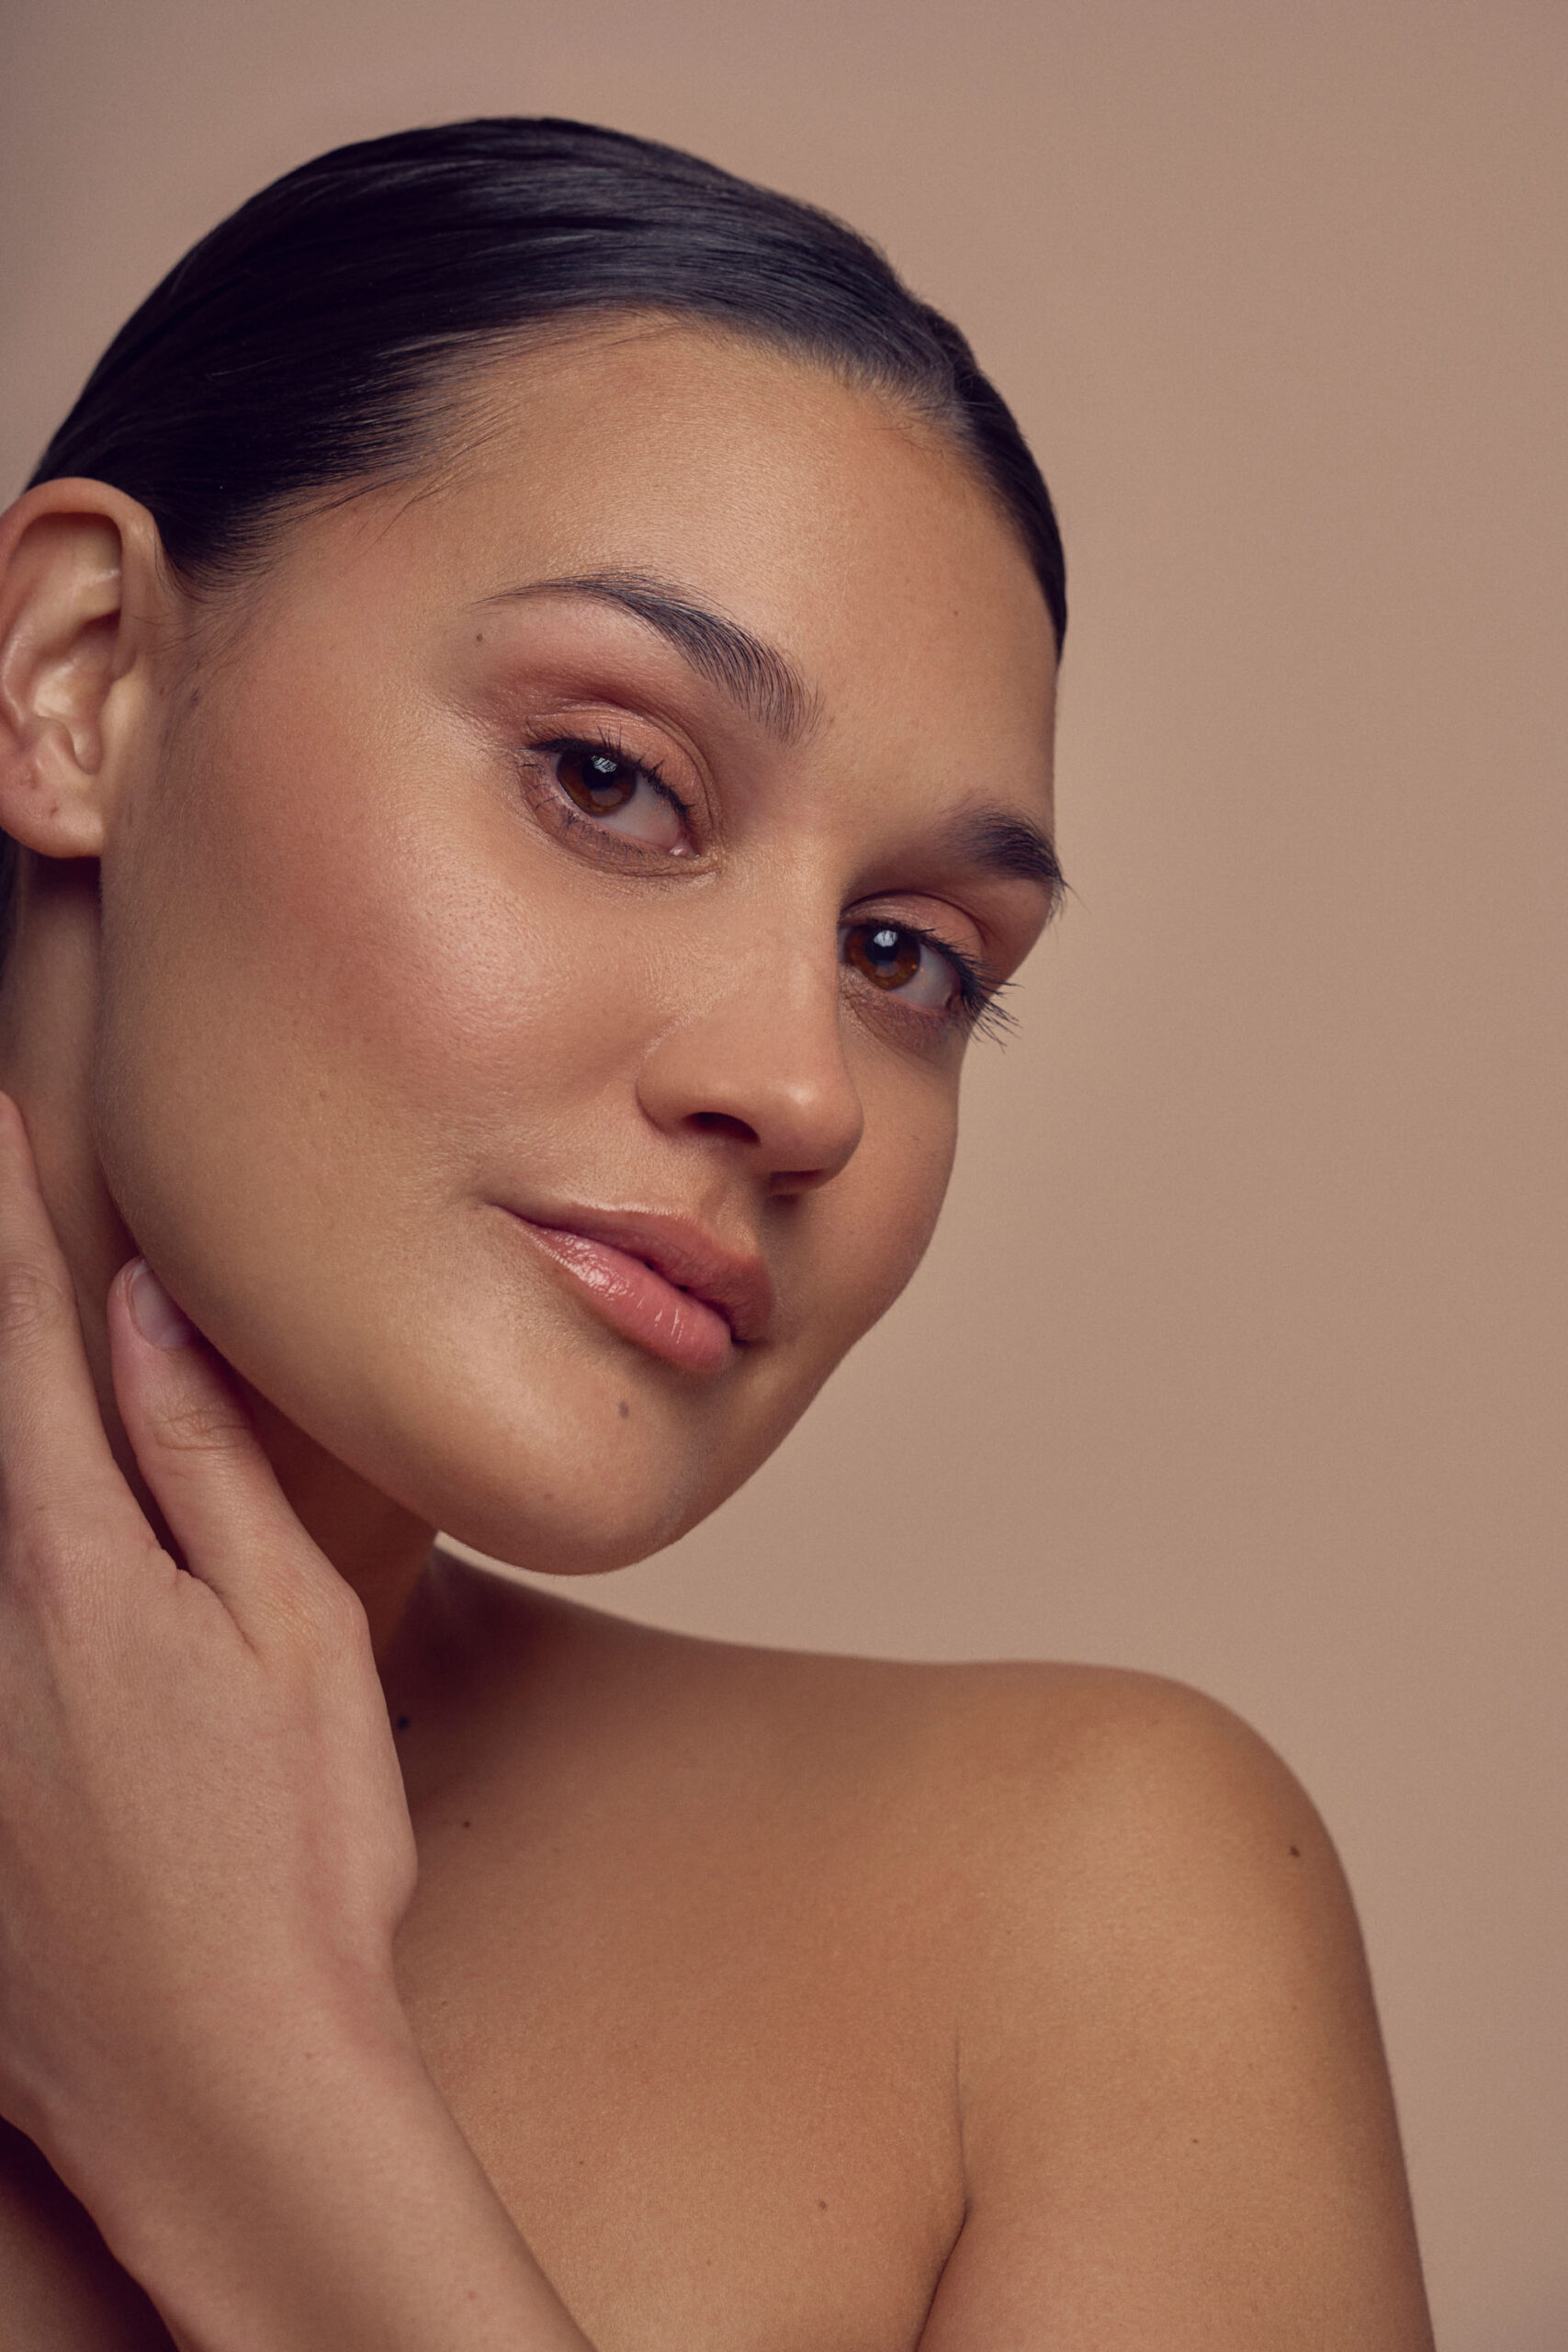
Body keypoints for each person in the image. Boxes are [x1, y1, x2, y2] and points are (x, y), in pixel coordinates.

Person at [0, 118, 1431, 2348]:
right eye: (610, 776)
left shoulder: (1066, 1922)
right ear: (81, 676)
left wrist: (249, 2091)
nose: (802, 1085)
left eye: (905, 952)